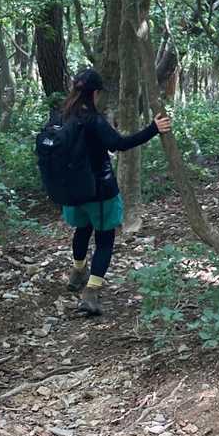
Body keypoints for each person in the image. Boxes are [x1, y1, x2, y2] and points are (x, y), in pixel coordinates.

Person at [58, 68, 172, 316]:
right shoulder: (94, 120)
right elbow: (119, 144)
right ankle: (91, 293)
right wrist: (153, 128)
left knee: (82, 230)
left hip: (72, 192)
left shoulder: (63, 116)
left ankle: (77, 272)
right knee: (104, 240)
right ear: (95, 93)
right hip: (100, 192)